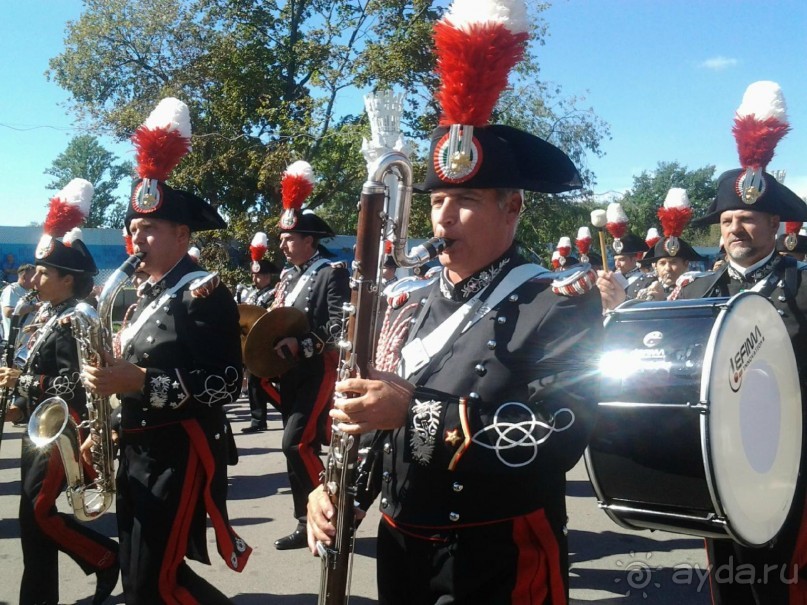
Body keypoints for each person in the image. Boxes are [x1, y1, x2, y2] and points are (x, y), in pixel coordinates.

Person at [307, 3, 603, 602]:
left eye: (465, 200)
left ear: (512, 206)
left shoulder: (557, 301)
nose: (444, 216)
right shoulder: (409, 299)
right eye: (438, 199)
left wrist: (412, 413)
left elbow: (558, 435)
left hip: (497, 558)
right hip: (401, 548)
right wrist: (337, 487)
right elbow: (374, 423)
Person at [82, 97, 250, 603]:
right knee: (139, 576)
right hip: (135, 447)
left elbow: (227, 382)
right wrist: (104, 427)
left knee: (156, 580)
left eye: (149, 229)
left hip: (179, 453)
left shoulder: (204, 290)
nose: (138, 240)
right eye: (134, 230)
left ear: (181, 234)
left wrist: (140, 382)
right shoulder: (139, 297)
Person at [676, 81, 807, 604]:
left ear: (775, 224)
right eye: (727, 220)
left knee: (786, 581)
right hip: (723, 464)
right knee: (728, 581)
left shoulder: (802, 287)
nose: (735, 229)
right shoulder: (701, 290)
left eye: (748, 219)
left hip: (792, 464)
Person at [0, 179, 119, 605]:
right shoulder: (48, 311)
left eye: (45, 273)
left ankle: (105, 557)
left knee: (36, 512)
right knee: (31, 520)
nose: (35, 279)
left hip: (61, 428)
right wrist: (16, 401)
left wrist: (24, 384)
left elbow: (76, 383)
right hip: (39, 426)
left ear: (68, 279)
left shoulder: (77, 318)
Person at [268, 160, 350, 550]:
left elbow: (339, 326)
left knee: (296, 444)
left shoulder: (330, 272)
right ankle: (306, 523)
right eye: (282, 238)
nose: (282, 245)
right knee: (301, 446)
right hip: (291, 373)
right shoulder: (290, 276)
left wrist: (301, 346)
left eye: (290, 238)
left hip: (318, 369)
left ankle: (335, 512)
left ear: (310, 240)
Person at [598, 188, 702, 310]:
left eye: (673, 262)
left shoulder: (697, 288)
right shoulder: (646, 288)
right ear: (655, 266)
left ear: (686, 264)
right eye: (662, 263)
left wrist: (661, 302)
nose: (667, 268)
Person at [242, 252, 281, 434]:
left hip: (267, 344)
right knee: (254, 383)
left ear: (267, 276)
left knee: (263, 382)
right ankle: (258, 419)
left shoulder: (274, 294)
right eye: (253, 274)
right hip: (250, 343)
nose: (255, 278)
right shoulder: (249, 294)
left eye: (258, 275)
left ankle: (281, 410)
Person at [0, 263, 36, 342]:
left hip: (29, 343)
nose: (36, 279)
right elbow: (8, 312)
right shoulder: (12, 290)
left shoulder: (33, 292)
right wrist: (34, 307)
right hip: (15, 344)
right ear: (24, 277)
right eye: (34, 276)